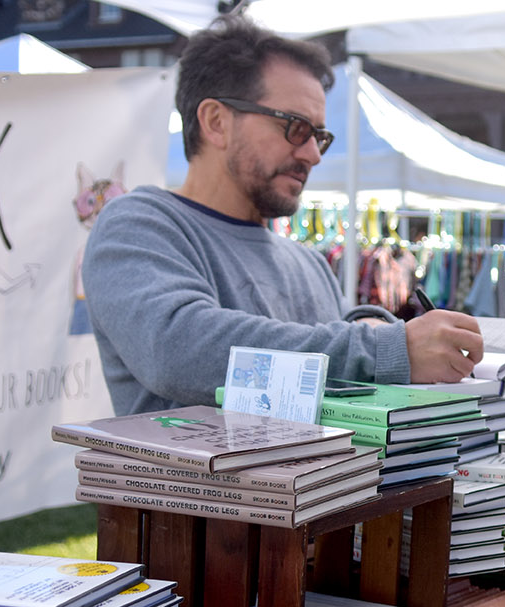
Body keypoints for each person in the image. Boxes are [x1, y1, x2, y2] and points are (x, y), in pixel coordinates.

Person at [82, 15, 483, 416]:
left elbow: (336, 356)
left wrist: (373, 330)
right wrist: (385, 348)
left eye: (320, 136)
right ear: (216, 122)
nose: (312, 154)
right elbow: (177, 349)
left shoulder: (307, 261)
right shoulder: (138, 225)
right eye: (295, 127)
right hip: (196, 480)